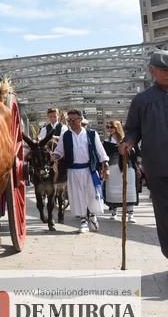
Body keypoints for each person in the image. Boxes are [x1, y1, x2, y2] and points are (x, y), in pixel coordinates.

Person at [120, 49, 168, 259]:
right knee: (165, 216)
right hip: (158, 167)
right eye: (162, 69)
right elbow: (132, 130)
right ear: (152, 71)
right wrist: (128, 142)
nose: (167, 73)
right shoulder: (142, 100)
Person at [52, 109, 109, 233]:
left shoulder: (92, 134)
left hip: (90, 169)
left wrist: (106, 166)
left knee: (92, 193)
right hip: (74, 170)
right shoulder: (65, 135)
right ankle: (83, 220)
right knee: (77, 195)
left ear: (80, 119)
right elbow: (59, 151)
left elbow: (101, 152)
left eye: (73, 120)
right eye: (69, 120)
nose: (71, 122)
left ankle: (93, 216)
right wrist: (54, 156)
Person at [102, 120, 138, 223]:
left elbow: (136, 153)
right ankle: (114, 212)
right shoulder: (106, 141)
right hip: (113, 168)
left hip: (128, 167)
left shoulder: (127, 140)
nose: (109, 129)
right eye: (108, 127)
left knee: (129, 190)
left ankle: (131, 214)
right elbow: (104, 156)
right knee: (113, 190)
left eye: (111, 127)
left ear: (117, 127)